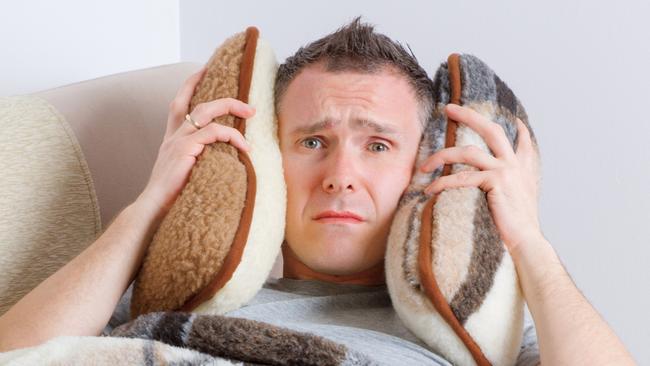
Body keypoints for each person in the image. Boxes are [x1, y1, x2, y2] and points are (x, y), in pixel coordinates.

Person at [0, 18, 636, 365]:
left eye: (378, 145)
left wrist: (525, 235)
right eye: (311, 141)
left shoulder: (477, 337)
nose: (340, 173)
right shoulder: (170, 302)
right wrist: (151, 204)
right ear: (272, 159)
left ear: (424, 168)